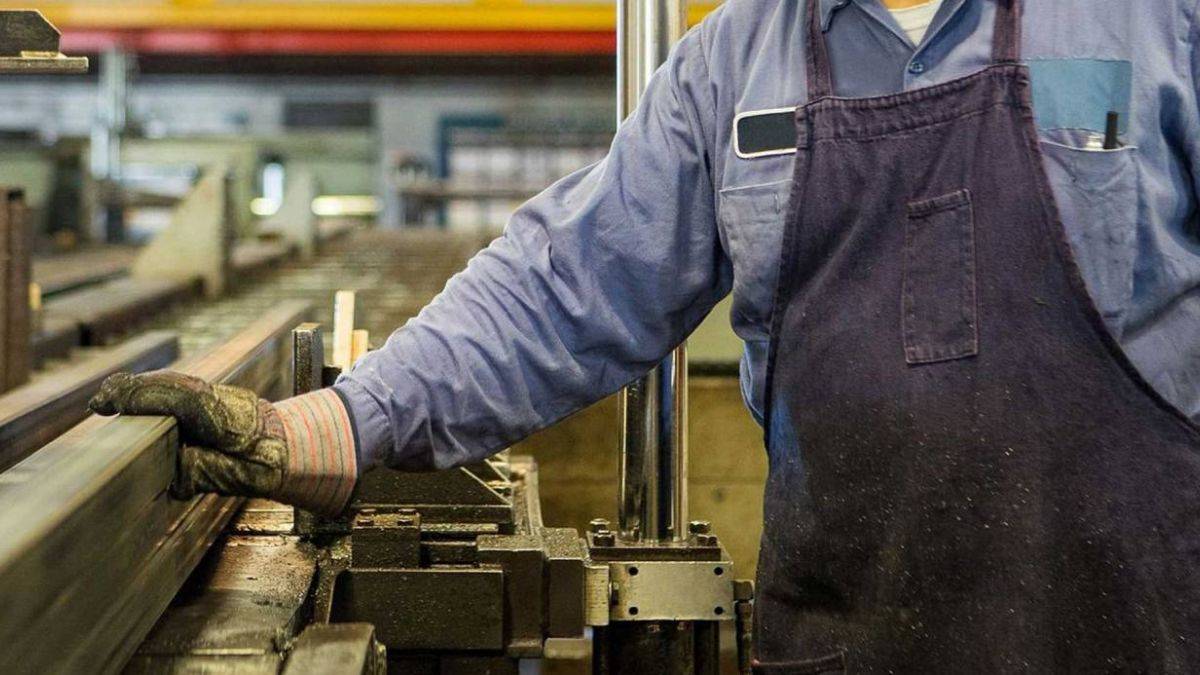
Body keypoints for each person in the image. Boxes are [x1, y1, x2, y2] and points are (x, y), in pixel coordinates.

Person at [90, 0, 1200, 670]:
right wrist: (333, 427)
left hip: (1142, 628)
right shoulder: (733, 64)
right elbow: (567, 282)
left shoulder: (1156, 22)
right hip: (851, 636)